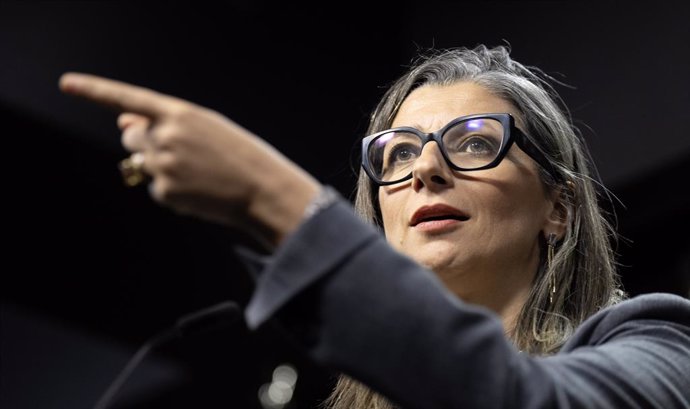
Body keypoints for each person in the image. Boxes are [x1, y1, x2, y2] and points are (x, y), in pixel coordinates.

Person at [59, 44, 690, 408]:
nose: (426, 170)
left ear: (559, 209)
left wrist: (267, 195)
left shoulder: (663, 345)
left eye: (473, 143)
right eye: (400, 152)